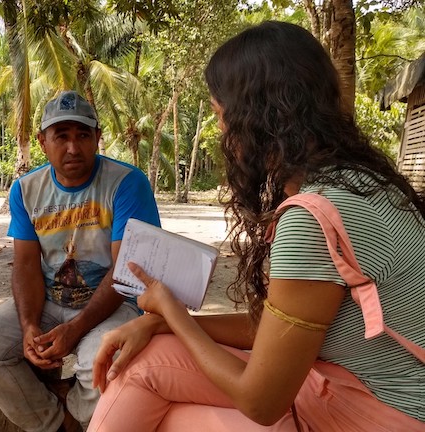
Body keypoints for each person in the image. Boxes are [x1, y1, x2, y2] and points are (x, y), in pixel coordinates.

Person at [88, 21, 425, 431]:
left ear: (257, 117)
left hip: (383, 412)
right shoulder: (363, 182)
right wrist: (162, 320)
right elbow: (276, 329)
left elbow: (260, 402)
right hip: (345, 384)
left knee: (167, 414)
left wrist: (172, 312)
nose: (221, 131)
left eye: (220, 115)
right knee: (145, 363)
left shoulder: (313, 217)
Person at [0, 90, 161, 432]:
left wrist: (75, 329)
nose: (73, 147)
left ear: (97, 138)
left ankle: (79, 410)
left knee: (104, 364)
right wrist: (28, 327)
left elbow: (125, 270)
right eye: (61, 136)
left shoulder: (126, 183)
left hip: (114, 303)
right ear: (42, 141)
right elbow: (25, 265)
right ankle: (56, 422)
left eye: (83, 135)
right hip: (52, 299)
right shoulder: (25, 189)